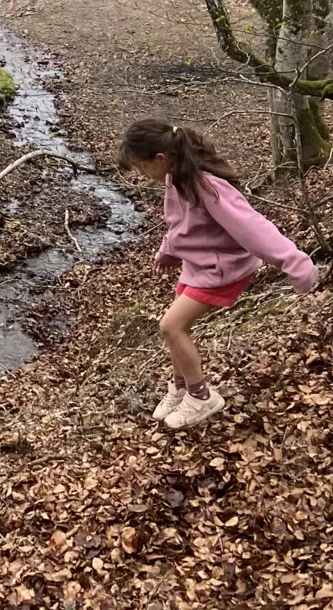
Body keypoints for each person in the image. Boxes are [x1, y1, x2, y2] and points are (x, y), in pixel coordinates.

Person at [118, 118, 319, 431]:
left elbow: (252, 227)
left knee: (170, 326)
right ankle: (181, 387)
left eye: (142, 168)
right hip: (200, 265)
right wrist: (168, 251)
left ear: (160, 159)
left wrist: (294, 262)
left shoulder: (207, 185)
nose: (142, 176)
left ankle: (202, 397)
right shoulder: (175, 179)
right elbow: (178, 224)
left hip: (223, 268)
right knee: (174, 326)